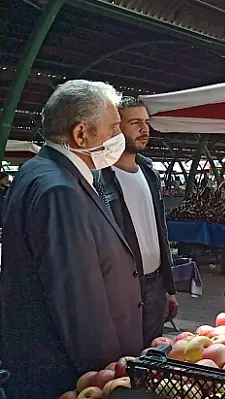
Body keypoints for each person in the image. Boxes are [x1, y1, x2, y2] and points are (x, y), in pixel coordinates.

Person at [0, 80, 143, 398]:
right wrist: (105, 379)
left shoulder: (40, 171)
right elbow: (79, 302)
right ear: (82, 134)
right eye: (114, 127)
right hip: (64, 373)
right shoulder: (60, 191)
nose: (119, 137)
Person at [96, 96, 179, 348]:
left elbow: (159, 232)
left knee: (151, 359)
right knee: (120, 362)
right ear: (114, 128)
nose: (145, 129)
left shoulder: (149, 172)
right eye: (135, 123)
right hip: (121, 290)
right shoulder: (99, 179)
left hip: (155, 286)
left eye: (146, 122)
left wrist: (169, 288)